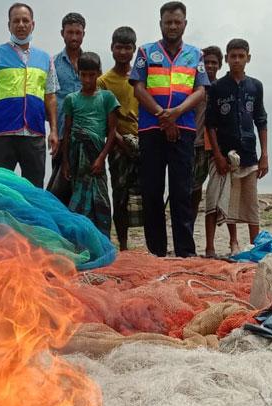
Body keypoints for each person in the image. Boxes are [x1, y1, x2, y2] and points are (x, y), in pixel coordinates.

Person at [130, 1, 210, 258]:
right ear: (160, 24)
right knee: (152, 192)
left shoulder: (195, 55)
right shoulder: (145, 52)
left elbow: (200, 90)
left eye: (177, 22)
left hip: (184, 129)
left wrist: (175, 114)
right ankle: (156, 253)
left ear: (185, 24)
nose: (172, 26)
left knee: (181, 193)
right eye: (168, 22)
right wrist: (162, 116)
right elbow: (138, 87)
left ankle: (185, 252)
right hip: (151, 130)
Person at [0, 3, 60, 188]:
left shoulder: (46, 58)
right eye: (16, 21)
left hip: (34, 132)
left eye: (25, 21)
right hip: (3, 132)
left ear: (33, 24)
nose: (21, 25)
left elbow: (51, 96)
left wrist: (53, 130)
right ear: (9, 25)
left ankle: (31, 218)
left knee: (34, 187)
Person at [207, 38, 268, 255]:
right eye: (232, 56)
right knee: (229, 201)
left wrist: (265, 155)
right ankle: (232, 243)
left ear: (248, 58)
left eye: (241, 56)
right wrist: (218, 155)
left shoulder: (255, 86)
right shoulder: (217, 87)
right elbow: (211, 124)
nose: (237, 60)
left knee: (251, 203)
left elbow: (261, 120)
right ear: (226, 58)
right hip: (226, 154)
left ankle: (256, 245)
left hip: (250, 153)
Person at [61, 52, 119, 236]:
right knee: (78, 202)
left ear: (99, 73)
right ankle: (81, 243)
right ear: (78, 74)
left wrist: (102, 158)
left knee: (100, 200)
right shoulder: (71, 99)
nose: (87, 79)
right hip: (77, 158)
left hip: (97, 156)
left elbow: (111, 132)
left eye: (91, 75)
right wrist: (66, 162)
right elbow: (67, 131)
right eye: (83, 74)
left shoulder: (107, 98)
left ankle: (102, 241)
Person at [98, 26, 143, 250]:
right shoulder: (103, 81)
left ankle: (150, 242)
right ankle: (123, 244)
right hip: (117, 145)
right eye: (119, 47)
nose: (123, 52)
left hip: (143, 141)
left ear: (134, 50)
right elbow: (103, 120)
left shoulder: (140, 78)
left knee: (147, 194)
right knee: (120, 194)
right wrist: (119, 142)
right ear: (112, 49)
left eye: (128, 48)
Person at [46, 12, 87, 203]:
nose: (74, 37)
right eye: (70, 32)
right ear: (62, 33)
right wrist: (54, 130)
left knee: (85, 186)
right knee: (60, 186)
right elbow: (48, 98)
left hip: (88, 136)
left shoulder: (90, 63)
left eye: (78, 33)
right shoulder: (52, 63)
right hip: (62, 136)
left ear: (83, 34)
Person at [190, 46, 220, 219]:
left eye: (213, 63)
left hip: (217, 146)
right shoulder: (194, 87)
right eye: (206, 62)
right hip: (197, 142)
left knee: (216, 190)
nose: (210, 66)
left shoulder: (222, 87)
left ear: (219, 65)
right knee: (193, 188)